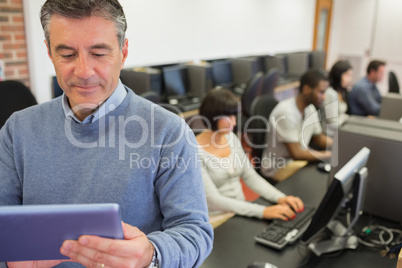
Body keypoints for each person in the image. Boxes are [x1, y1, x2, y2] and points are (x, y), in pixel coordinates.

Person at [0, 0, 213, 267]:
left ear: (123, 52)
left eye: (99, 53)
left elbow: (195, 232)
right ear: (49, 52)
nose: (84, 71)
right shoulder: (17, 130)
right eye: (66, 54)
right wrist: (9, 262)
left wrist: (152, 254)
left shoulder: (168, 131)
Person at [196, 88, 304, 221]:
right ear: (213, 116)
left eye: (234, 116)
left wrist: (280, 198)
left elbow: (251, 177)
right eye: (228, 117)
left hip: (241, 211)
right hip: (216, 218)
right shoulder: (194, 151)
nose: (234, 122)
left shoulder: (230, 138)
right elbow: (214, 200)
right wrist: (263, 211)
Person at [260, 70, 333, 179]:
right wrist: (330, 155)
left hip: (297, 162)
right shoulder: (286, 112)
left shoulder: (310, 108)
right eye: (321, 92)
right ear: (306, 89)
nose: (324, 97)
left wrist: (339, 145)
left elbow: (319, 139)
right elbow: (297, 154)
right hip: (278, 167)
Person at [321, 60, 353, 136]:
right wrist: (346, 118)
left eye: (350, 75)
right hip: (329, 135)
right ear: (337, 75)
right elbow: (333, 124)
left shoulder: (342, 91)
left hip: (339, 130)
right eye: (346, 75)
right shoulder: (331, 93)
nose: (349, 79)